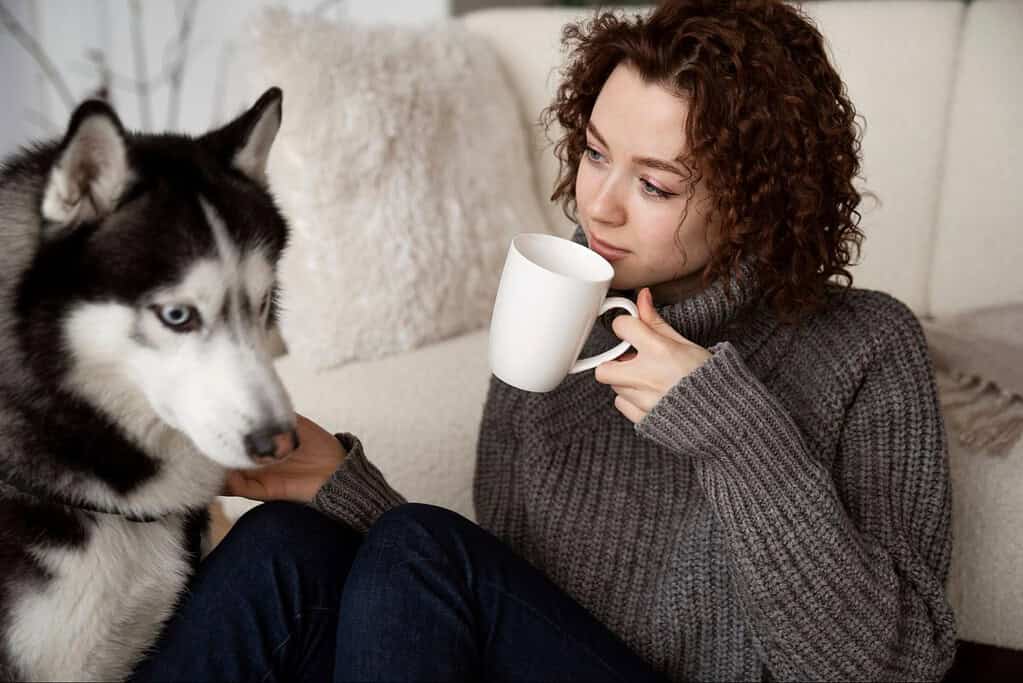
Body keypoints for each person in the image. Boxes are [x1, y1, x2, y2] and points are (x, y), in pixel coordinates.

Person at [130, 1, 958, 681]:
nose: (599, 203)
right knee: (284, 546)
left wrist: (734, 434)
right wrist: (340, 488)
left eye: (654, 183)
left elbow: (895, 665)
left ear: (756, 201)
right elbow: (501, 597)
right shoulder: (562, 309)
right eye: (596, 154)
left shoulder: (867, 347)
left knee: (420, 546)